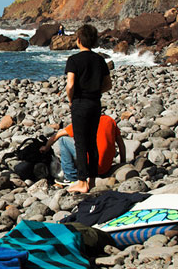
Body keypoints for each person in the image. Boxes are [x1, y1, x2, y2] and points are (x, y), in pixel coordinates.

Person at [63, 24, 111, 193]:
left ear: (78, 40)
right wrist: (95, 92)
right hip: (95, 103)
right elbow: (108, 84)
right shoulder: (100, 60)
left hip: (80, 103)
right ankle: (92, 179)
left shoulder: (73, 60)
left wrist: (71, 99)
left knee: (80, 143)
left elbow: (70, 85)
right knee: (92, 142)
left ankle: (82, 182)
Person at [41, 114, 125, 185]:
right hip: (105, 168)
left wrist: (46, 147)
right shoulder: (110, 120)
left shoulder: (84, 121)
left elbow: (58, 135)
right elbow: (121, 144)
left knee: (63, 140)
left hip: (91, 166)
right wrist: (122, 163)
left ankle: (70, 177)